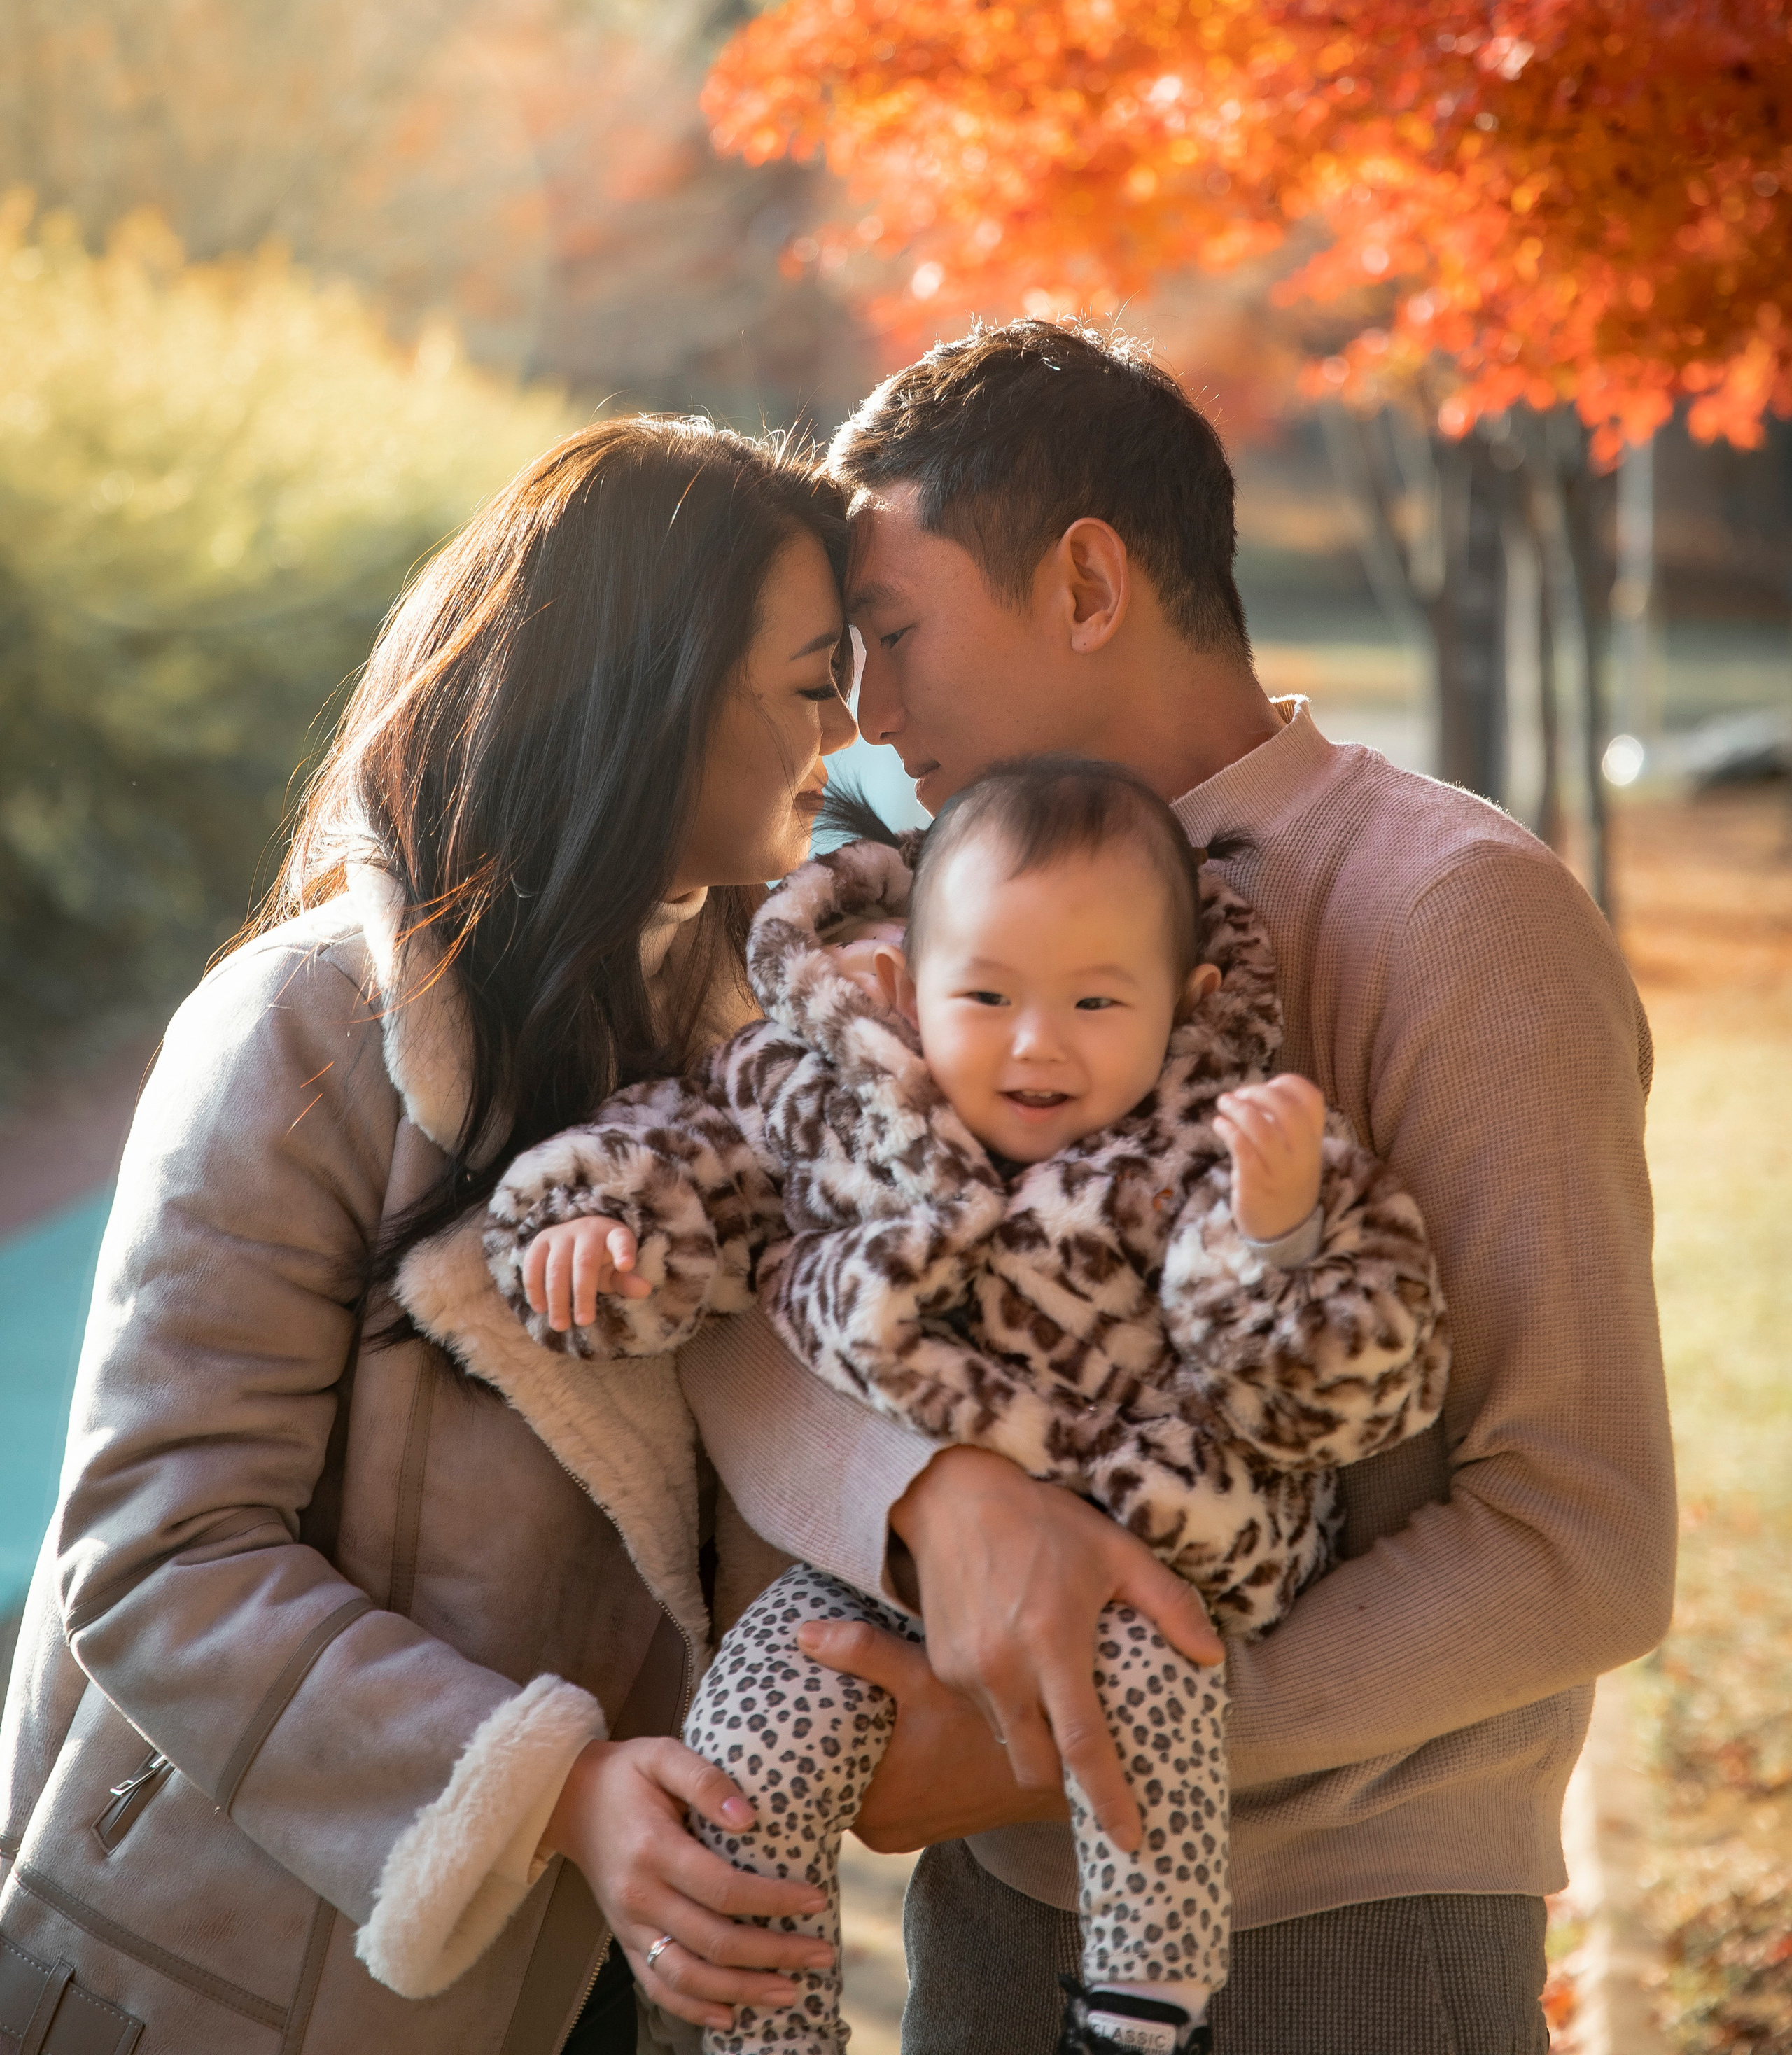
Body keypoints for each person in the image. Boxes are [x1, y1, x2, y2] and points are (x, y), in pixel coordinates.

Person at [668, 322, 1675, 2055]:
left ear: (1081, 584)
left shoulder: (1457, 917)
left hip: (1346, 1941)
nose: (868, 717)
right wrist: (926, 1495)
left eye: (893, 638)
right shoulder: (923, 926)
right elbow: (757, 1297)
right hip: (990, 1919)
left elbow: (1577, 1542)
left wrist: (1040, 1728)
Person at [0, 418, 892, 2053]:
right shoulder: (313, 1026)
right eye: (809, 680)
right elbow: (154, 1554)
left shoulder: (751, 1044)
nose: (847, 735)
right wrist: (556, 1795)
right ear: (648, 692)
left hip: (591, 1977)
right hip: (228, 1965)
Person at [488, 754, 1448, 2055]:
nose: (1037, 1043)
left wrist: (1270, 1240)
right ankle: (767, 2026)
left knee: (1150, 1687)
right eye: (987, 995)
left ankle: (1144, 2001)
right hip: (880, 1552)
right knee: (752, 1729)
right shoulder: (845, 1104)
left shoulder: (1207, 1141)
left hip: (1136, 1544)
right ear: (901, 985)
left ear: (1187, 1000)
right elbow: (706, 1155)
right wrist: (601, 1222)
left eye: (1097, 1001)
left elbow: (1353, 1377)